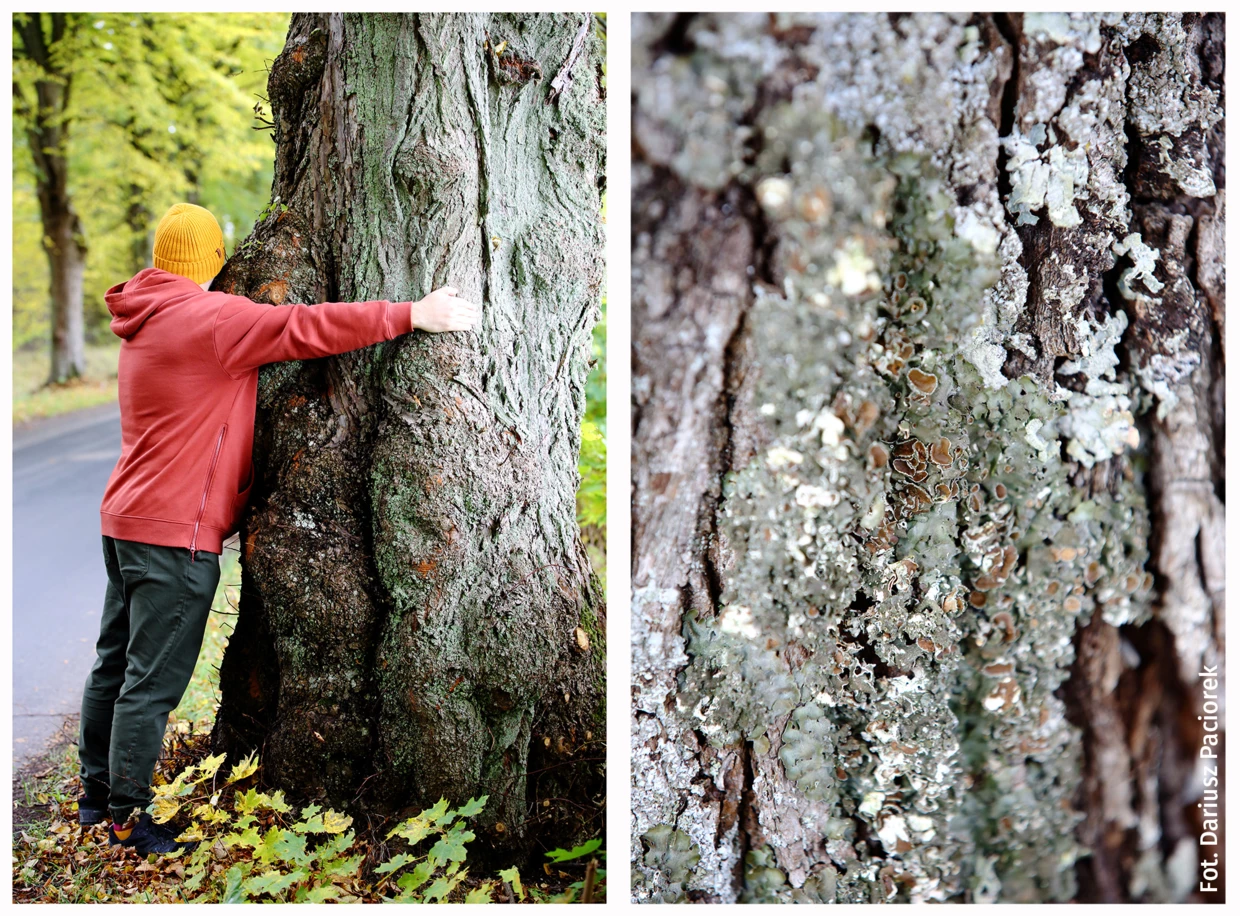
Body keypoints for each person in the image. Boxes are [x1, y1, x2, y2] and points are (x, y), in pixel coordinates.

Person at [77, 202, 479, 855]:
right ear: (213, 264)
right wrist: (411, 314)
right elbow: (305, 327)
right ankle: (127, 816)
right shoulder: (211, 319)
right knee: (150, 680)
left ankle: (96, 797)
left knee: (113, 665)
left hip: (126, 520)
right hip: (174, 534)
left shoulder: (141, 318)